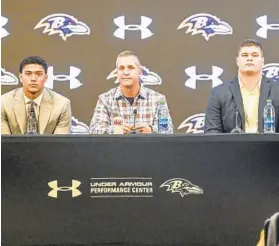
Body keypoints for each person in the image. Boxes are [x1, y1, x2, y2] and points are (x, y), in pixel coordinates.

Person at [90, 50, 173, 134]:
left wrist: (151, 130)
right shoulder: (105, 100)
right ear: (117, 73)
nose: (125, 72)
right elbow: (94, 130)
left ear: (139, 72)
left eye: (130, 67)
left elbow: (168, 129)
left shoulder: (158, 99)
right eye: (121, 68)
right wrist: (114, 130)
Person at [205, 39, 279, 133]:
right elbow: (212, 132)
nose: (249, 58)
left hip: (270, 147)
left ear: (263, 61)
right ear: (237, 61)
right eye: (245, 55)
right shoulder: (219, 93)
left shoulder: (276, 91)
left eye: (255, 55)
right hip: (232, 147)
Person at [1, 56, 72, 134]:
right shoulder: (3, 102)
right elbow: (3, 142)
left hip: (48, 146)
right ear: (21, 77)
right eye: (28, 74)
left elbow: (59, 143)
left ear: (45, 78)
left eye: (39, 74)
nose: (33, 79)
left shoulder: (62, 104)